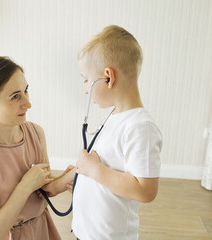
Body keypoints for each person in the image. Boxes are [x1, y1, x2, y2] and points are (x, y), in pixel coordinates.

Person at [0, 55, 72, 240]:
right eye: (15, 97)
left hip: (43, 231)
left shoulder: (36, 133)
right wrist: (25, 186)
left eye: (26, 91)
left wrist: (68, 179)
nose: (28, 103)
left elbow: (43, 190)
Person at [71, 25, 163, 240]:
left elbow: (145, 191)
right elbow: (103, 166)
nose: (85, 89)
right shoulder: (112, 117)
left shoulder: (140, 127)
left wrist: (94, 171)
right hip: (87, 233)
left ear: (108, 77)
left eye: (86, 80)